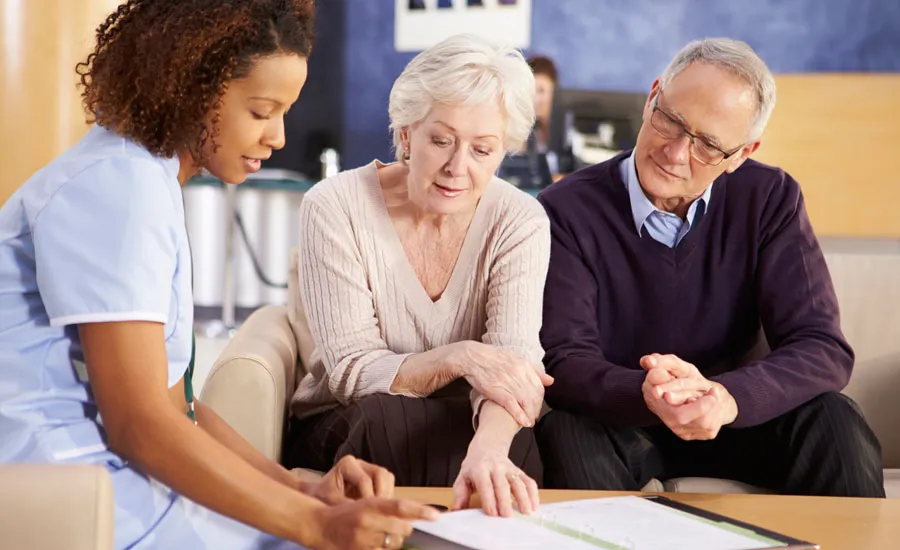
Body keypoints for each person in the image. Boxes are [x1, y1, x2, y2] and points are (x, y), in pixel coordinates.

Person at [0, 1, 437, 549]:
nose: (277, 136)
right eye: (260, 111)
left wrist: (303, 492)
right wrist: (313, 526)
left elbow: (174, 406)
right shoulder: (117, 188)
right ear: (190, 85)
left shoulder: (142, 178)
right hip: (67, 489)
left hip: (103, 478)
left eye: (284, 112)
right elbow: (139, 424)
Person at [535, 38, 885, 498]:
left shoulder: (770, 198)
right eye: (672, 121)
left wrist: (725, 398)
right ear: (652, 96)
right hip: (624, 419)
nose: (677, 152)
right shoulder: (565, 208)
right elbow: (564, 360)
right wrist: (651, 392)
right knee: (565, 430)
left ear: (741, 153)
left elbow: (821, 347)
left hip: (740, 418)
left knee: (835, 420)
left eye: (708, 145)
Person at [285, 34, 553, 518]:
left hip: (467, 421)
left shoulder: (520, 220)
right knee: (386, 422)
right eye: (441, 140)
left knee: (514, 450)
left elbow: (515, 366)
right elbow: (350, 372)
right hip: (354, 417)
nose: (458, 168)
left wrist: (490, 450)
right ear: (407, 133)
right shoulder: (335, 206)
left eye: (482, 150)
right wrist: (462, 358)